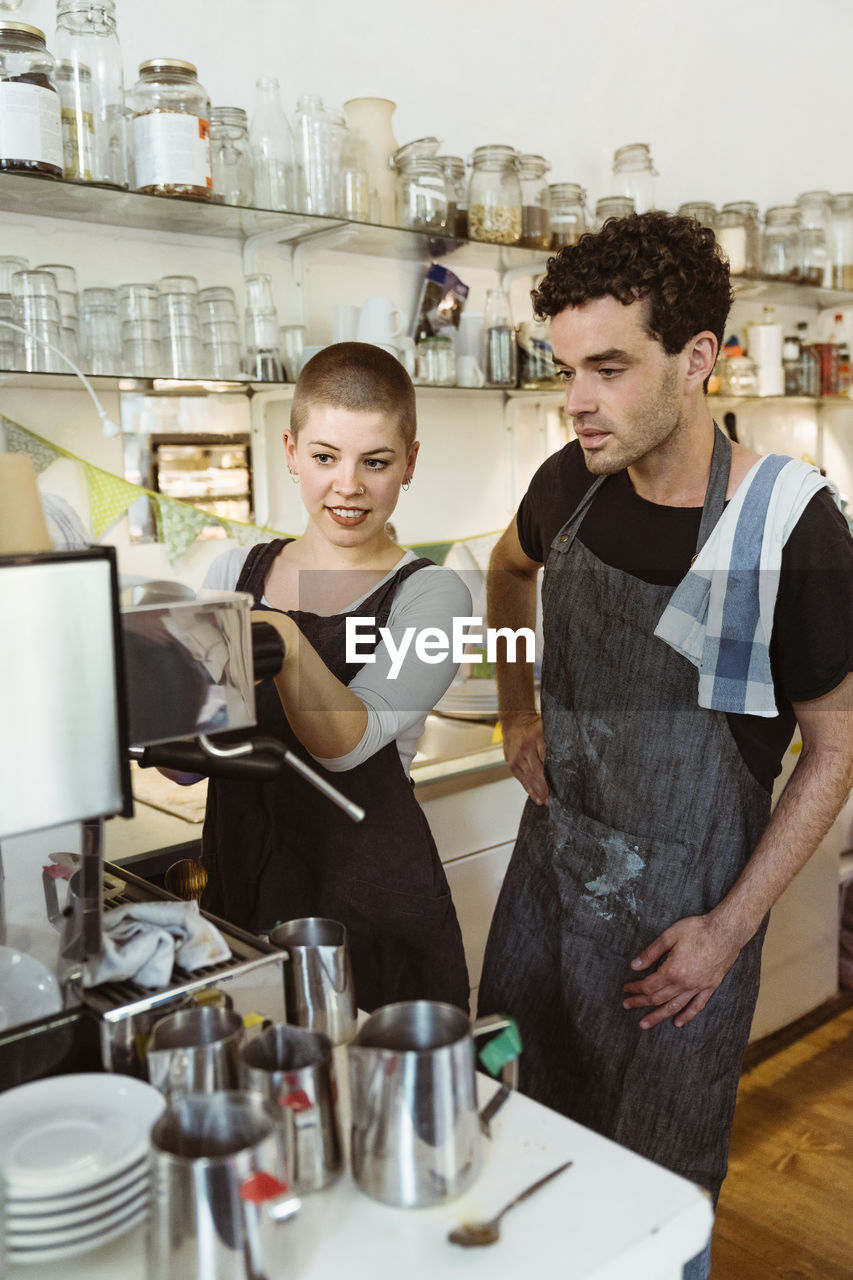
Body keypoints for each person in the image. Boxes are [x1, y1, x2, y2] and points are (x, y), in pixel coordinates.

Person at [477, 212, 853, 1275]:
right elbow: (508, 575)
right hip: (549, 899)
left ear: (696, 359)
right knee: (518, 1149)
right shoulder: (570, 483)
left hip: (679, 939)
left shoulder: (787, 527)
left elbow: (834, 749)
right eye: (564, 368)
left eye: (608, 367)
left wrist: (729, 931)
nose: (576, 400)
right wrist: (515, 707)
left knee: (653, 1215)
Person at [199, 341, 470, 1013]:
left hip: (369, 904)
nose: (347, 485)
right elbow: (193, 744)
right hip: (240, 879)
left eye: (373, 462)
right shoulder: (231, 573)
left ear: (408, 463)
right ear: (290, 451)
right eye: (324, 457)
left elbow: (344, 743)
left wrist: (283, 636)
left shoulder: (435, 597)